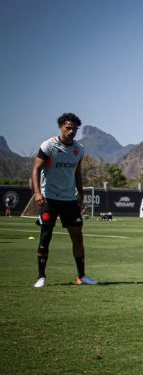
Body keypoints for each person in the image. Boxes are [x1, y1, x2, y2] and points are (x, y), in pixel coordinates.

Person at [31, 113, 98, 288]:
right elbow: (36, 169)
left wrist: (80, 195)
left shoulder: (79, 149)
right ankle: (41, 277)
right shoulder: (49, 146)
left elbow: (77, 173)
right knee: (46, 236)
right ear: (61, 127)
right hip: (49, 198)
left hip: (69, 199)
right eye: (68, 128)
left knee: (77, 236)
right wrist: (37, 192)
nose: (71, 131)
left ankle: (81, 276)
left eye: (74, 129)